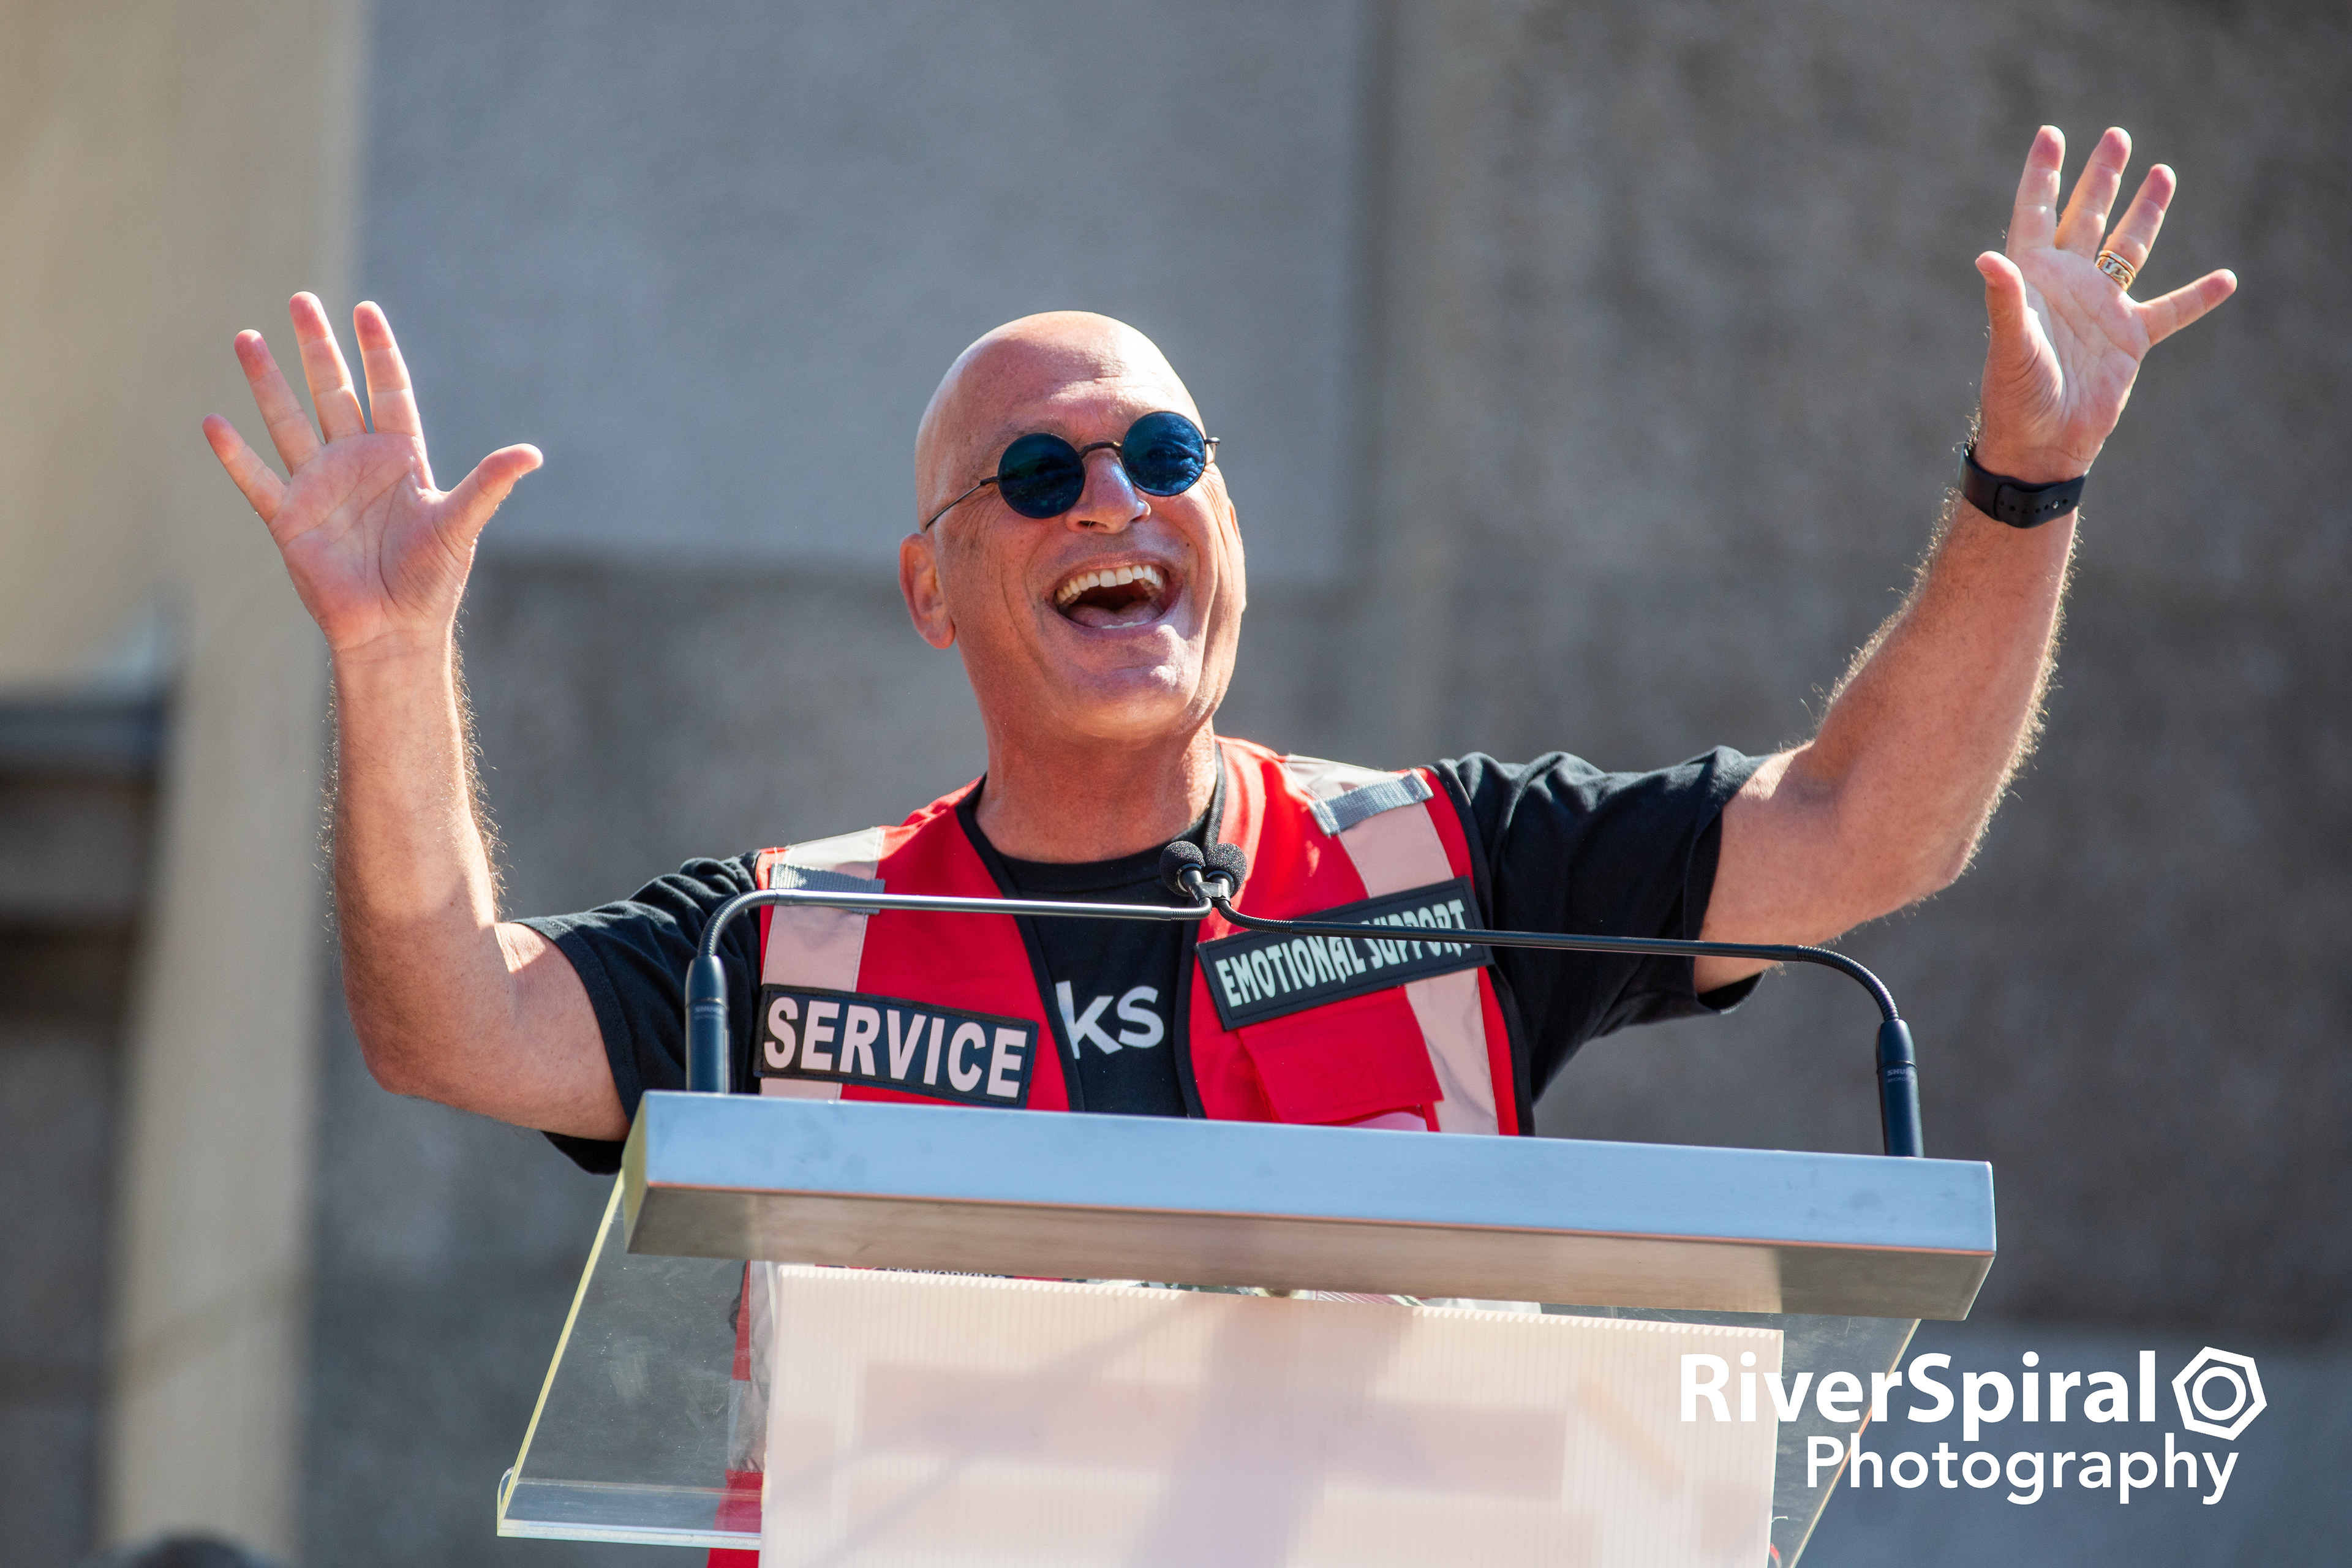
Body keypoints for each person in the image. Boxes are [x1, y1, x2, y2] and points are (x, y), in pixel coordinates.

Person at [204, 127, 2232, 1171]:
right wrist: (389, 656)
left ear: (1226, 529)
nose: (1114, 501)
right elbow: (451, 1029)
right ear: (930, 585)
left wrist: (2026, 482)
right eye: (1036, 471)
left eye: (1165, 454)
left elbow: (1871, 829)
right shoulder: (778, 956)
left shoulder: (1460, 881)